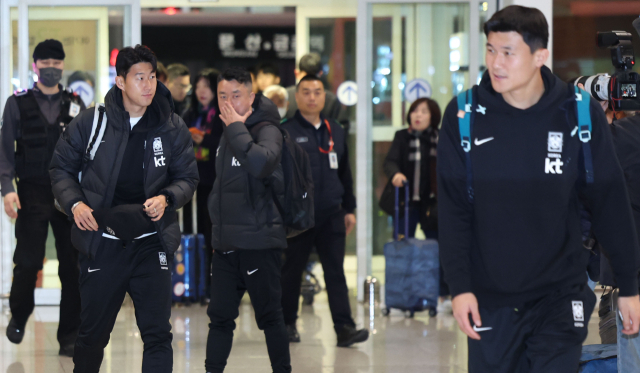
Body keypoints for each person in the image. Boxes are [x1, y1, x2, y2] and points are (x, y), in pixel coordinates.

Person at [437, 6, 640, 373]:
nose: (496, 63)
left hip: (559, 296)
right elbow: (453, 212)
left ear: (539, 55)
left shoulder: (576, 112)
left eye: (508, 52)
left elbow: (609, 202)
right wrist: (460, 286)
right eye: (490, 49)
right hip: (491, 300)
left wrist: (629, 285)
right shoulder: (463, 115)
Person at [49, 44, 199, 372]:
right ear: (120, 82)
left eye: (152, 77)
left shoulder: (171, 126)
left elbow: (188, 177)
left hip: (151, 240)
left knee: (158, 334)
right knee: (91, 336)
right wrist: (75, 204)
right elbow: (59, 168)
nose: (148, 85)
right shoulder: (93, 122)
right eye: (139, 78)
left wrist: (168, 197)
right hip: (103, 240)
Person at [0, 39, 84, 356]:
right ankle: (19, 316)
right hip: (32, 192)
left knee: (72, 268)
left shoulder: (76, 104)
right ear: (35, 66)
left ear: (63, 65)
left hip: (68, 195)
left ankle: (70, 336)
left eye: (57, 63)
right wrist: (7, 189)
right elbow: (5, 152)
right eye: (45, 63)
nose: (51, 68)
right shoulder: (17, 103)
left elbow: (88, 153)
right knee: (28, 262)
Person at [206, 67, 290, 373]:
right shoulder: (226, 133)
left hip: (259, 241)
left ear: (251, 96)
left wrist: (238, 130)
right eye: (222, 96)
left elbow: (261, 164)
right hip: (227, 245)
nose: (228, 103)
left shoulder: (267, 128)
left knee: (269, 316)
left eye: (236, 95)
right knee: (219, 318)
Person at [280, 74, 368, 347]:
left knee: (336, 272)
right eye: (306, 92)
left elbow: (345, 172)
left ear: (324, 96)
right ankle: (287, 325)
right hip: (298, 215)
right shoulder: (285, 130)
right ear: (297, 97)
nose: (312, 97)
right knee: (292, 272)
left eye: (317, 92)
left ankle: (344, 328)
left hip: (332, 213)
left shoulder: (335, 130)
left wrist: (350, 208)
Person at [381, 97, 451, 312]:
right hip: (407, 202)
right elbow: (390, 161)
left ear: (433, 116)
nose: (418, 115)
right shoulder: (402, 137)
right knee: (403, 248)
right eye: (414, 111)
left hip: (432, 204)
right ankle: (400, 296)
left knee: (440, 249)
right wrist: (396, 174)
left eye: (423, 111)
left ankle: (442, 295)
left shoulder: (441, 138)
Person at [182, 68, 222, 301]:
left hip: (214, 182)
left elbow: (227, 145)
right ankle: (190, 283)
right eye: (197, 86)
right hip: (191, 183)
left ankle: (210, 286)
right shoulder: (190, 114)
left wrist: (204, 139)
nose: (201, 91)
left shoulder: (221, 115)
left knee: (211, 236)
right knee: (190, 231)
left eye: (206, 86)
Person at [283, 53, 346, 125]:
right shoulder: (283, 97)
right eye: (306, 79)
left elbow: (341, 127)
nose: (312, 98)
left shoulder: (331, 101)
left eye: (313, 79)